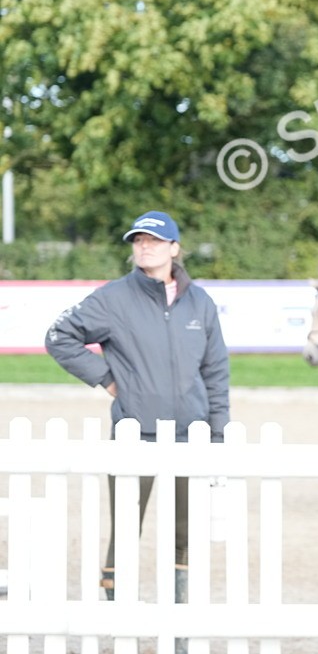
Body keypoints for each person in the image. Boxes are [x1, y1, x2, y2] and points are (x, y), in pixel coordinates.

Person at [45, 210, 230, 615]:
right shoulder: (113, 298)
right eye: (138, 240)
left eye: (154, 240)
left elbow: (216, 371)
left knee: (186, 535)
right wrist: (110, 381)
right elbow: (59, 337)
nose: (145, 246)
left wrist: (218, 435)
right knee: (126, 531)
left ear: (174, 249)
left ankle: (182, 622)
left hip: (191, 435)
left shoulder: (200, 303)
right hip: (135, 434)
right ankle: (120, 617)